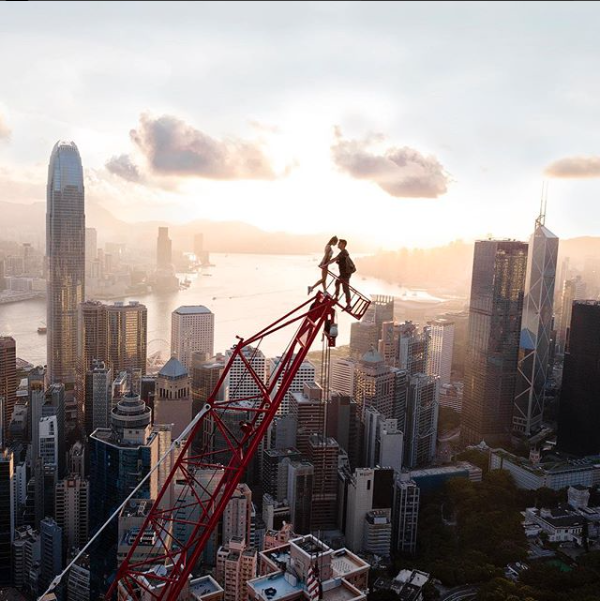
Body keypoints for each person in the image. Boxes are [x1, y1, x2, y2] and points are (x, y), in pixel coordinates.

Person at [326, 239, 355, 310]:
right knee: (337, 283)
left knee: (345, 289)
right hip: (343, 274)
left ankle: (349, 305)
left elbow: (335, 259)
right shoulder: (343, 252)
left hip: (345, 275)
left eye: (339, 243)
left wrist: (325, 265)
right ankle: (336, 298)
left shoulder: (344, 252)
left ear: (343, 245)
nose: (338, 244)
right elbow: (338, 260)